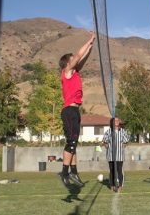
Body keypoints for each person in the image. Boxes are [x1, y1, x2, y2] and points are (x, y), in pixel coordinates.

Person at [56, 29, 95, 190]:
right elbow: (79, 55)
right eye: (72, 60)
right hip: (69, 111)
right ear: (67, 63)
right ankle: (64, 173)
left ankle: (73, 172)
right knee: (71, 143)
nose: (75, 61)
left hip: (74, 111)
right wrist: (89, 38)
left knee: (73, 144)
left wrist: (92, 44)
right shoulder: (67, 71)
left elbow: (82, 57)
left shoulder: (76, 71)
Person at [102, 117, 129, 192]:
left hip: (119, 155)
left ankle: (120, 185)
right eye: (115, 120)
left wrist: (120, 148)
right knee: (112, 170)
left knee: (119, 170)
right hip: (111, 155)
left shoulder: (122, 131)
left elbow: (126, 141)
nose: (117, 122)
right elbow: (105, 141)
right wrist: (109, 148)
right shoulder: (109, 131)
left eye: (118, 120)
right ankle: (111, 186)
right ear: (112, 122)